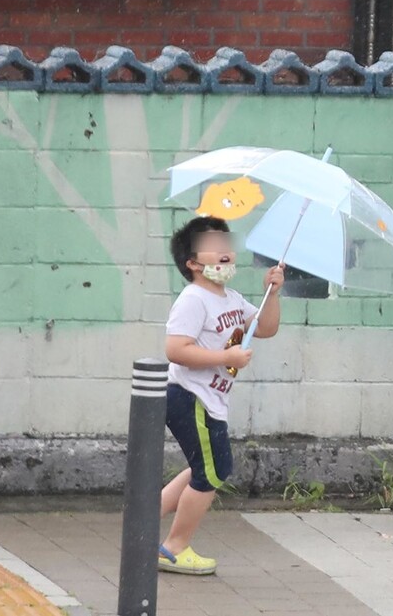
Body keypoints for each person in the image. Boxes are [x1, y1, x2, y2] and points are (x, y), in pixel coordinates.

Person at [158, 216, 284, 575]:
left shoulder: (230, 299)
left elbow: (266, 327)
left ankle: (144, 517)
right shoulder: (194, 300)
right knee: (216, 470)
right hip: (188, 396)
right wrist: (224, 358)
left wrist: (272, 293)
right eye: (215, 245)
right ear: (194, 264)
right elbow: (175, 349)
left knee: (205, 466)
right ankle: (173, 547)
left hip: (209, 400)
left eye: (227, 244)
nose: (226, 250)